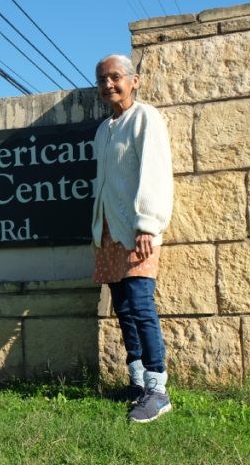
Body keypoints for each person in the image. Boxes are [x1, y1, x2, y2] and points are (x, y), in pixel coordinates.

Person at [91, 54, 174, 423]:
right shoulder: (103, 129)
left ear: (134, 80)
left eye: (115, 77)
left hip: (138, 230)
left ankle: (158, 390)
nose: (108, 84)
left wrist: (147, 224)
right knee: (124, 310)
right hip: (109, 232)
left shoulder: (145, 118)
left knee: (141, 306)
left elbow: (155, 171)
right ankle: (138, 382)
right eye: (102, 80)